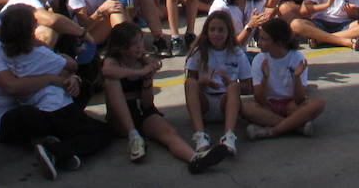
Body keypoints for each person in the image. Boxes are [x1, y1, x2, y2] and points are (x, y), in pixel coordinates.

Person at [0, 3, 111, 179]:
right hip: (6, 118)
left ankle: (54, 146)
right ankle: (57, 150)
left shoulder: (26, 52)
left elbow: (66, 71)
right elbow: (13, 87)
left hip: (35, 103)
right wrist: (53, 79)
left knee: (80, 90)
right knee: (101, 131)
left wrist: (73, 79)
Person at [101, 20, 229, 171]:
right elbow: (107, 71)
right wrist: (140, 73)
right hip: (120, 119)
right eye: (135, 44)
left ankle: (194, 159)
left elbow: (147, 104)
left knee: (168, 132)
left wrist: (147, 80)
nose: (140, 47)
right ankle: (133, 136)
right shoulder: (113, 62)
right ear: (122, 48)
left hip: (141, 111)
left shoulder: (144, 62)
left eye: (141, 42)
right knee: (112, 82)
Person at [241, 16, 325, 139]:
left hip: (291, 105)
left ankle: (271, 131)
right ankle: (295, 126)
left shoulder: (297, 58)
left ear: (278, 42)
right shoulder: (259, 60)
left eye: (264, 39)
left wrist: (296, 77)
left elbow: (300, 98)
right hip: (268, 106)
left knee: (318, 103)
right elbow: (259, 99)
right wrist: (265, 77)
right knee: (245, 107)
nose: (259, 43)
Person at [184, 9, 249, 160]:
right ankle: (200, 135)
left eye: (221, 30)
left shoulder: (237, 53)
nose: (216, 34)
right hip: (205, 102)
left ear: (228, 32)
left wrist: (230, 83)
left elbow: (248, 86)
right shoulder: (199, 52)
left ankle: (228, 136)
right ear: (206, 31)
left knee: (234, 87)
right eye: (212, 30)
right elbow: (191, 84)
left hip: (225, 103)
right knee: (190, 83)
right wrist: (203, 82)